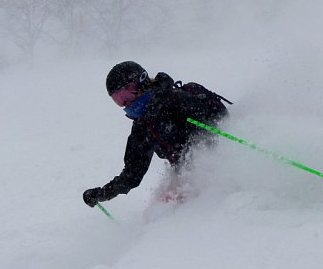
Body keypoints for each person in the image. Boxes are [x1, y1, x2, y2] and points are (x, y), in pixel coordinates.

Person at [83, 61, 230, 208]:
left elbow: (217, 116)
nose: (126, 102)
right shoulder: (143, 128)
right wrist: (102, 193)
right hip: (188, 171)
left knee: (183, 197)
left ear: (141, 82)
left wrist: (177, 105)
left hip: (219, 154)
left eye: (126, 93)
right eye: (119, 100)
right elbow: (132, 174)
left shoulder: (173, 96)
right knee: (167, 202)